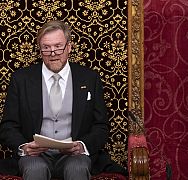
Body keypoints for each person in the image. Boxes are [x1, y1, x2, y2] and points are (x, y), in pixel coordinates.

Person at [0, 20, 127, 180]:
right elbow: (8, 125)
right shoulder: (21, 79)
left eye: (58, 46)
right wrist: (24, 147)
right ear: (40, 50)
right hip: (35, 157)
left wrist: (82, 146)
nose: (53, 52)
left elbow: (101, 126)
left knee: (78, 167)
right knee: (34, 169)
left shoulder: (89, 78)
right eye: (46, 47)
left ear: (69, 47)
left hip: (75, 156)